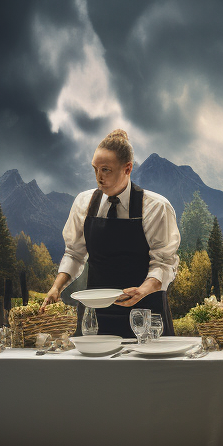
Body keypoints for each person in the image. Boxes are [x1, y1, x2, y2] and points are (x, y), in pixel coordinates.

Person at [46, 129, 181, 337]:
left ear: (127, 168)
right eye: (95, 169)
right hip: (95, 318)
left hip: (145, 315)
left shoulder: (156, 208)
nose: (99, 178)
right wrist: (57, 287)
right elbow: (74, 253)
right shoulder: (84, 203)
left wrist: (142, 291)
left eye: (106, 170)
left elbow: (164, 264)